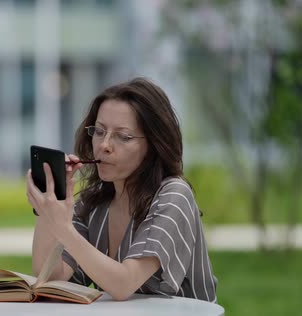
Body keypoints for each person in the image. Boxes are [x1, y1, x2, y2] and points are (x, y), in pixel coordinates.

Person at [26, 77, 217, 302]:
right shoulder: (93, 202)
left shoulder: (174, 195)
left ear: (154, 145)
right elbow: (50, 277)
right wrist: (47, 206)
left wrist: (64, 229)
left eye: (123, 136)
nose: (104, 145)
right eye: (99, 131)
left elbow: (124, 284)